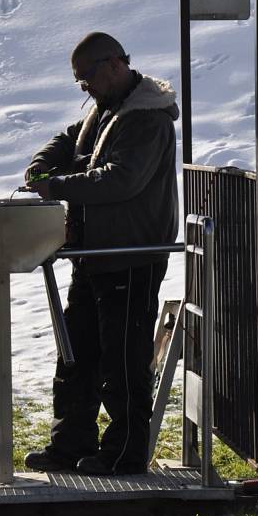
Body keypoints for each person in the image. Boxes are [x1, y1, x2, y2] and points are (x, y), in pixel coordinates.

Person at [24, 31, 179, 475]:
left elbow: (119, 180)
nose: (84, 87)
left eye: (86, 76)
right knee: (77, 355)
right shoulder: (109, 109)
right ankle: (70, 443)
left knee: (122, 362)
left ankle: (125, 453)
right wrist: (43, 163)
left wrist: (54, 186)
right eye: (79, 81)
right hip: (94, 253)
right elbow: (71, 138)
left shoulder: (146, 119)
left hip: (131, 255)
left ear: (113, 65)